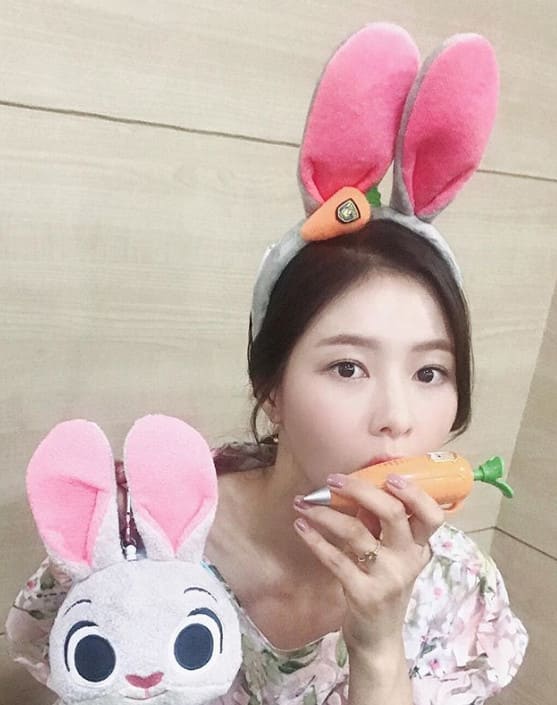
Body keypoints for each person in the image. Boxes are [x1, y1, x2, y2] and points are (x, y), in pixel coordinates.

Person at [6, 23, 527, 705]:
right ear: (271, 388)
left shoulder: (456, 588)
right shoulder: (141, 533)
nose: (397, 418)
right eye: (348, 368)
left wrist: (378, 646)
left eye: (429, 373)